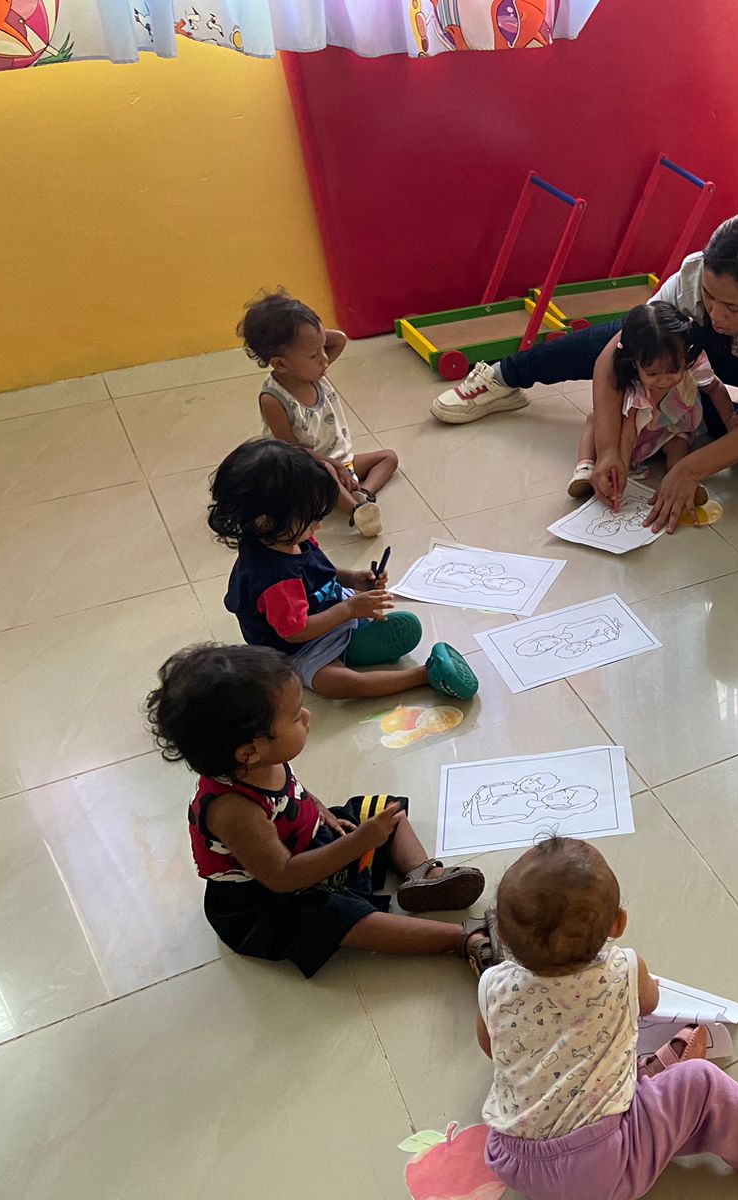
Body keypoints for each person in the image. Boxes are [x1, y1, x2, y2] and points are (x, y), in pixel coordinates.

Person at [477, 836, 738, 1199]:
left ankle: (641, 1084)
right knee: (701, 1084)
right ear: (618, 924)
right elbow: (650, 1003)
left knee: (577, 1061)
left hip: (512, 1157)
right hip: (602, 1168)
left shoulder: (493, 984)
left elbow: (490, 1047)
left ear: (503, 936)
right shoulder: (623, 969)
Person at [431, 214, 738, 532]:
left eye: (733, 307)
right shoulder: (696, 276)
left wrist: (688, 468)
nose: (716, 314)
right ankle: (506, 377)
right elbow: (615, 355)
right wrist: (609, 450)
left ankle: (723, 416)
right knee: (648, 339)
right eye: (709, 298)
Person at [145, 643, 496, 978]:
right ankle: (461, 939)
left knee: (385, 812)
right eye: (295, 716)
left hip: (304, 841)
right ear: (250, 751)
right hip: (268, 899)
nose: (308, 716)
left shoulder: (258, 761)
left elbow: (293, 791)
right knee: (342, 919)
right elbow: (283, 877)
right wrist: (359, 843)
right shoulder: (234, 811)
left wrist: (321, 811)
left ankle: (424, 876)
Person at [210, 438, 479, 701]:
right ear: (266, 522)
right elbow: (295, 632)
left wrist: (352, 578)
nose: (318, 526)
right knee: (336, 684)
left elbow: (315, 570)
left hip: (328, 609)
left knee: (403, 624)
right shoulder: (273, 578)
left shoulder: (286, 537)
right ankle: (425, 675)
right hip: (298, 647)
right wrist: (349, 610)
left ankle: (352, 643)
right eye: (311, 519)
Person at [239, 290, 395, 539]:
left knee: (388, 457)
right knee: (328, 473)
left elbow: (339, 339)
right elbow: (292, 452)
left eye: (323, 348)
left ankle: (364, 493)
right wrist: (332, 465)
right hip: (307, 470)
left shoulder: (313, 371)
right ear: (280, 364)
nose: (324, 360)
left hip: (342, 461)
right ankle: (356, 511)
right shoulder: (273, 399)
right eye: (314, 354)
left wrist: (311, 333)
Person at [566, 301, 732, 505]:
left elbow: (715, 388)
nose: (663, 380)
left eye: (673, 370)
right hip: (636, 432)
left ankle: (678, 476)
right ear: (634, 363)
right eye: (652, 374)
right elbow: (628, 433)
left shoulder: (693, 364)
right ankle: (585, 467)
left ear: (685, 354)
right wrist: (620, 469)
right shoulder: (635, 386)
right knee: (594, 418)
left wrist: (730, 419)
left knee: (679, 443)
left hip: (670, 428)